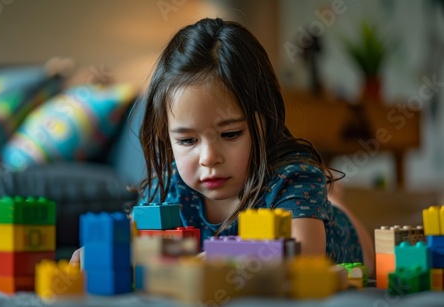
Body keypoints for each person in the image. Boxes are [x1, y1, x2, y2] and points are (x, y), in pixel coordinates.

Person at [71, 17, 374, 276]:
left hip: (349, 247)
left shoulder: (292, 179)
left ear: (264, 121)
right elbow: (134, 239)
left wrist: (225, 258)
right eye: (187, 140)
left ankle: (334, 201)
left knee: (362, 245)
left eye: (230, 134)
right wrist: (104, 250)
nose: (209, 158)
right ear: (166, 136)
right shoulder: (168, 190)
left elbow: (305, 253)